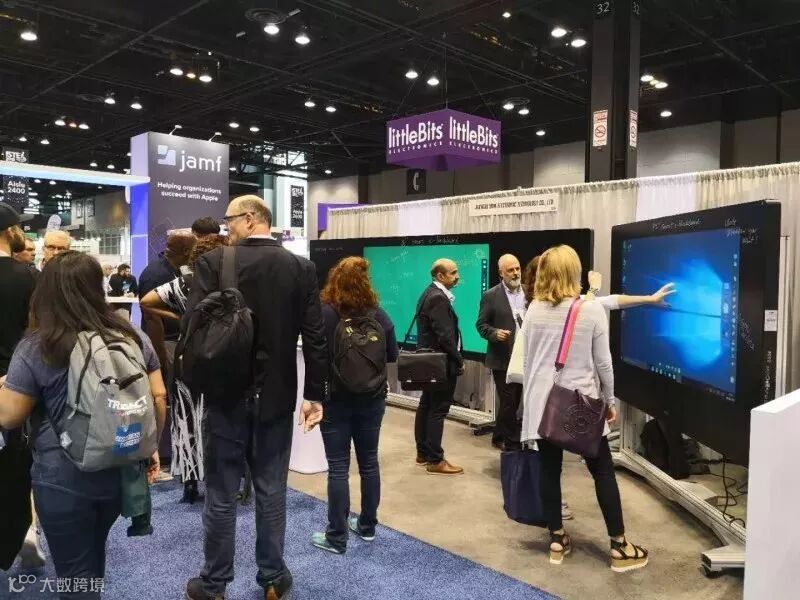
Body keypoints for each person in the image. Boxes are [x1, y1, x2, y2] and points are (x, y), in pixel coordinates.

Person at [183, 195, 327, 600]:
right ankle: (273, 579)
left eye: (229, 220)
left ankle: (213, 584)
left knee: (221, 493)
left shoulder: (213, 263)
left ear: (250, 218)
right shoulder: (301, 268)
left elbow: (193, 325)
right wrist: (314, 394)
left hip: (225, 395)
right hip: (277, 396)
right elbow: (315, 336)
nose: (226, 227)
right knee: (271, 490)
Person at [0, 251, 167, 598]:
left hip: (62, 476)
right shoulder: (130, 334)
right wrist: (150, 447)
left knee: (74, 571)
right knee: (93, 553)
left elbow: (9, 416)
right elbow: (158, 396)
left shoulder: (38, 344)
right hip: (119, 466)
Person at [520, 245, 648, 572]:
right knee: (602, 470)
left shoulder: (533, 309)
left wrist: (529, 407)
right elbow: (604, 364)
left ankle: (556, 539)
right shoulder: (589, 310)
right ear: (573, 272)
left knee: (549, 471)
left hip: (544, 404)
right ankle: (619, 546)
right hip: (580, 405)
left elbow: (530, 362)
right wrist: (610, 401)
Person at [310, 256, 398, 554]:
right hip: (372, 400)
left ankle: (336, 536)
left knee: (338, 468)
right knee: (369, 462)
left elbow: (316, 357)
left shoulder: (325, 313)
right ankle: (367, 526)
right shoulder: (379, 314)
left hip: (334, 401)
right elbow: (392, 355)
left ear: (334, 279)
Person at [140, 234, 229, 503]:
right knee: (220, 417)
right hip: (223, 357)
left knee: (187, 418)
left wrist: (182, 317)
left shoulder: (186, 283)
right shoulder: (231, 285)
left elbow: (146, 301)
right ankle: (222, 477)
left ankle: (190, 482)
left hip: (189, 357)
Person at [0, 202, 41, 571]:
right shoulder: (28, 277)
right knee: (17, 468)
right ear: (9, 232)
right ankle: (21, 536)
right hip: (18, 386)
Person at [414, 258, 465, 475]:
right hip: (440, 364)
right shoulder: (438, 298)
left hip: (430, 362)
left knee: (427, 405)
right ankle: (435, 460)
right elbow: (445, 336)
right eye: (453, 273)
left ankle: (423, 453)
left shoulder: (428, 293)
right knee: (437, 409)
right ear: (440, 276)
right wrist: (459, 360)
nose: (457, 277)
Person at [476, 254, 525, 451]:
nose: (515, 273)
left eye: (517, 269)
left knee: (514, 401)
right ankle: (512, 443)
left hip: (523, 357)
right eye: (510, 270)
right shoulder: (491, 296)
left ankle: (498, 435)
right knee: (508, 400)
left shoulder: (529, 293)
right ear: (501, 273)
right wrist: (495, 333)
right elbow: (481, 325)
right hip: (502, 358)